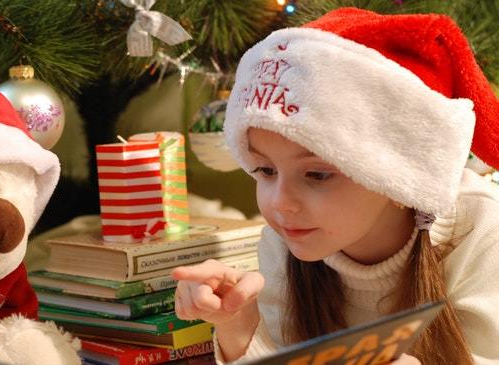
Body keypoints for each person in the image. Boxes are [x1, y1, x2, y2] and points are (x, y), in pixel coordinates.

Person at [171, 8, 499, 365]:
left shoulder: (482, 229)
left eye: (316, 175)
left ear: (397, 173)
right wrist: (238, 327)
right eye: (265, 170)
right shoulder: (285, 243)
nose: (281, 203)